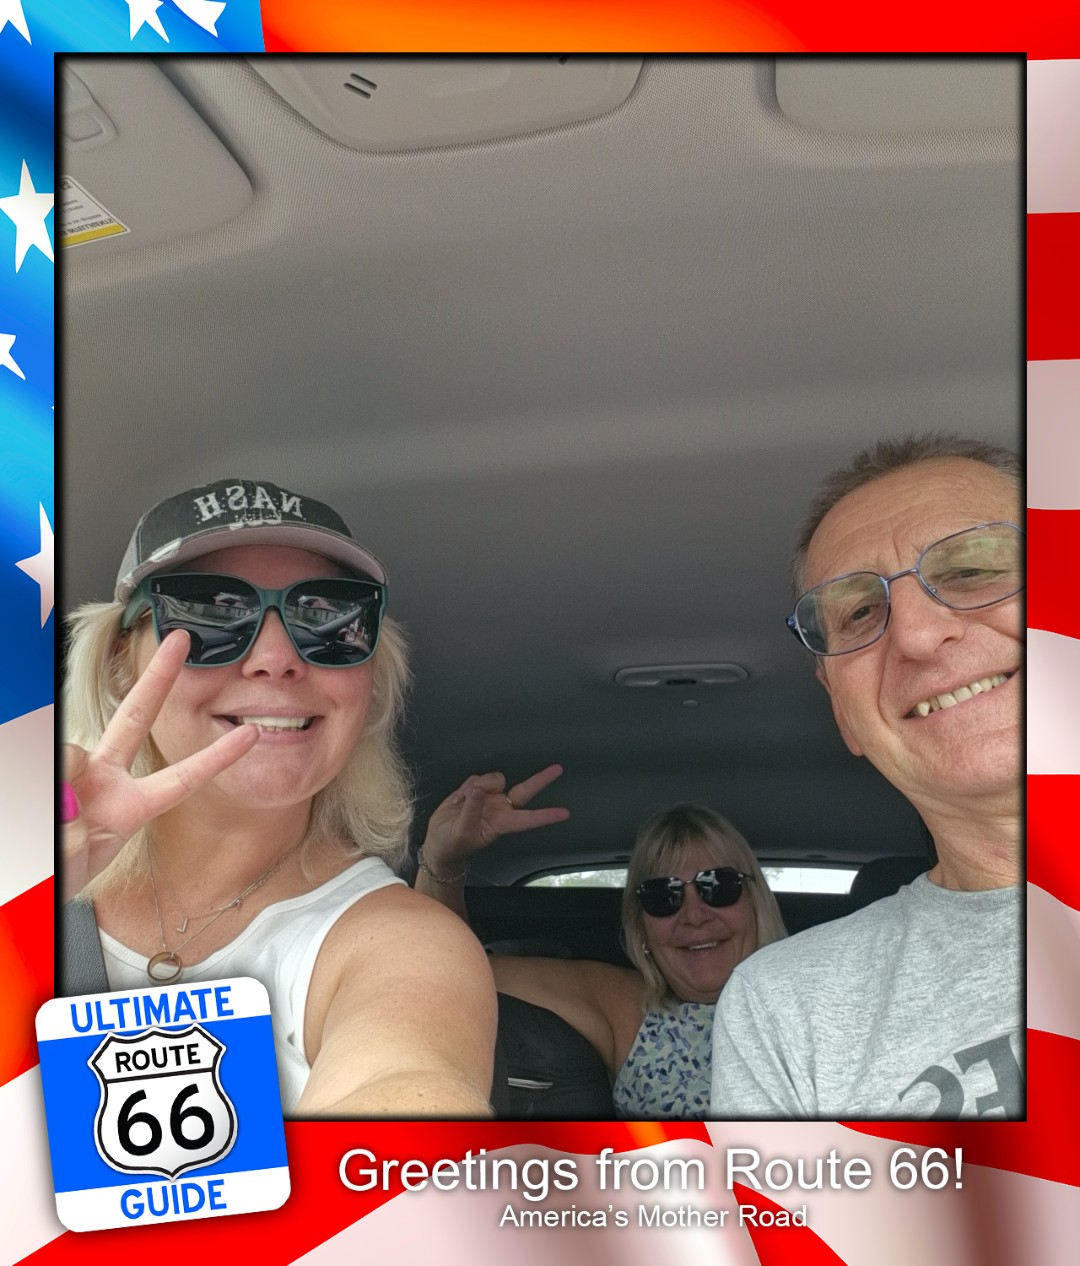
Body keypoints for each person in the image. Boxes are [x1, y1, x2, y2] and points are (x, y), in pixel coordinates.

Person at [62, 478, 496, 1117]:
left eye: (327, 616)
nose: (276, 657)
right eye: (209, 611)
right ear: (122, 665)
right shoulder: (29, 880)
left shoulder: (399, 943)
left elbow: (409, 1093)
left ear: (368, 680)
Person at [711, 435, 1023, 1119]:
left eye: (972, 568)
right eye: (858, 613)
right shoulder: (785, 1006)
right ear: (844, 716)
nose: (915, 634)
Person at [416, 768, 786, 1119]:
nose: (694, 914)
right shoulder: (629, 1009)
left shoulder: (812, 993)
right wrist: (442, 862)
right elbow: (446, 971)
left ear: (756, 902)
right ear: (642, 930)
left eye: (717, 886)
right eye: (663, 896)